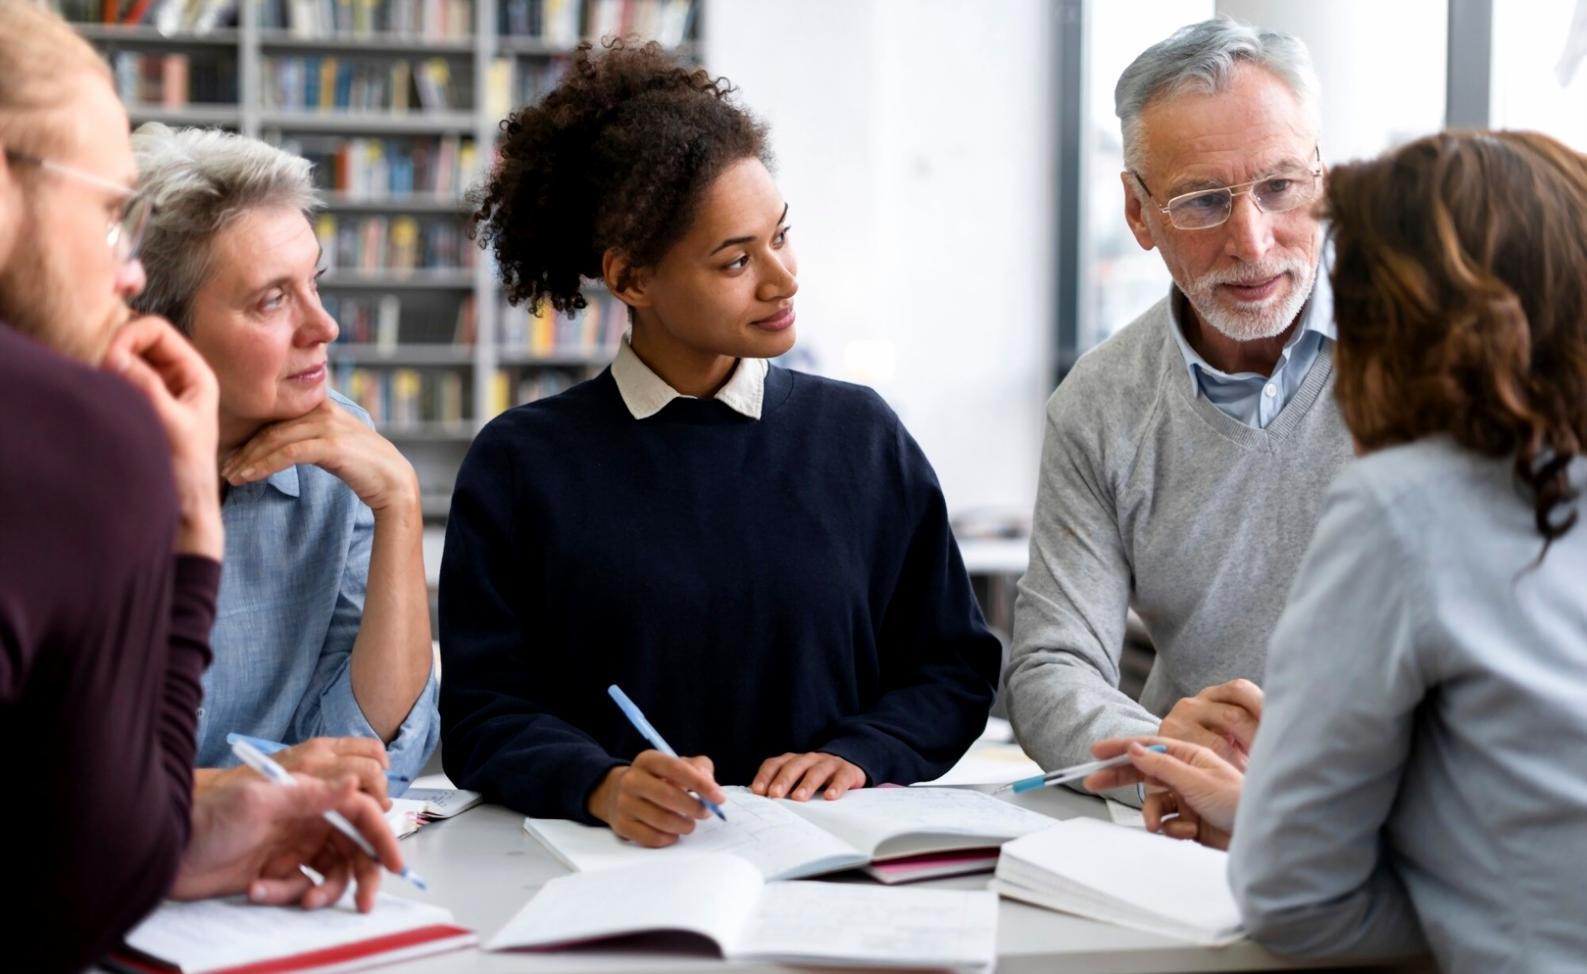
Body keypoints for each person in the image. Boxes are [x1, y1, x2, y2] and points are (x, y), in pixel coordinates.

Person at [440, 40, 1001, 847]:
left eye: (780, 235)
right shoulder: (522, 463)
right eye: (736, 259)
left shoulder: (860, 436)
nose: (783, 279)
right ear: (631, 279)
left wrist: (860, 754)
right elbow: (485, 713)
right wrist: (599, 784)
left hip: (831, 860)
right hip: (611, 869)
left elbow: (949, 670)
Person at [1085, 130, 1587, 972]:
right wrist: (1269, 816)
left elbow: (1296, 907)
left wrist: (1278, 834)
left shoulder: (1404, 507)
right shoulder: (1102, 398)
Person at [0, 5, 403, 970]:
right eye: (106, 214)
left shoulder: (334, 452)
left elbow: (371, 742)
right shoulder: (75, 437)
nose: (125, 269)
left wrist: (180, 824)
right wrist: (188, 529)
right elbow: (94, 874)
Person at [1004, 18, 1353, 798]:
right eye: (1201, 202)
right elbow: (1049, 666)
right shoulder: (1097, 407)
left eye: (1279, 187)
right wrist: (1161, 754)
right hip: (1185, 824)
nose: (1252, 243)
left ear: (1322, 182)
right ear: (1137, 213)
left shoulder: (1437, 352)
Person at [129, 125, 440, 793]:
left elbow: (370, 751)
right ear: (159, 334)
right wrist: (233, 794)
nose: (324, 326)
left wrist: (399, 504)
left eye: (314, 282)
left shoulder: (344, 452)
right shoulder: (61, 471)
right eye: (272, 299)